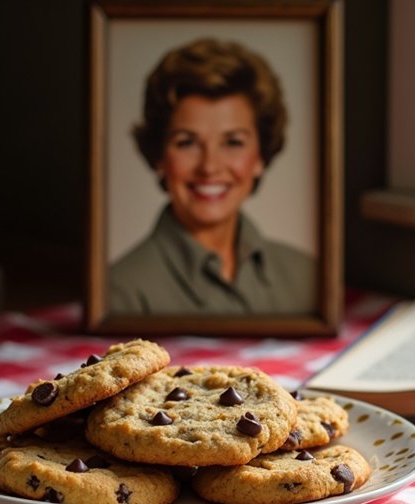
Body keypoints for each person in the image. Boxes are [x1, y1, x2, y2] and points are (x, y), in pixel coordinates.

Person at [108, 38, 316, 315]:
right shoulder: (119, 293)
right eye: (187, 142)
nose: (209, 167)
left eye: (233, 142)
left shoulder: (308, 277)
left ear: (261, 156)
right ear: (159, 156)